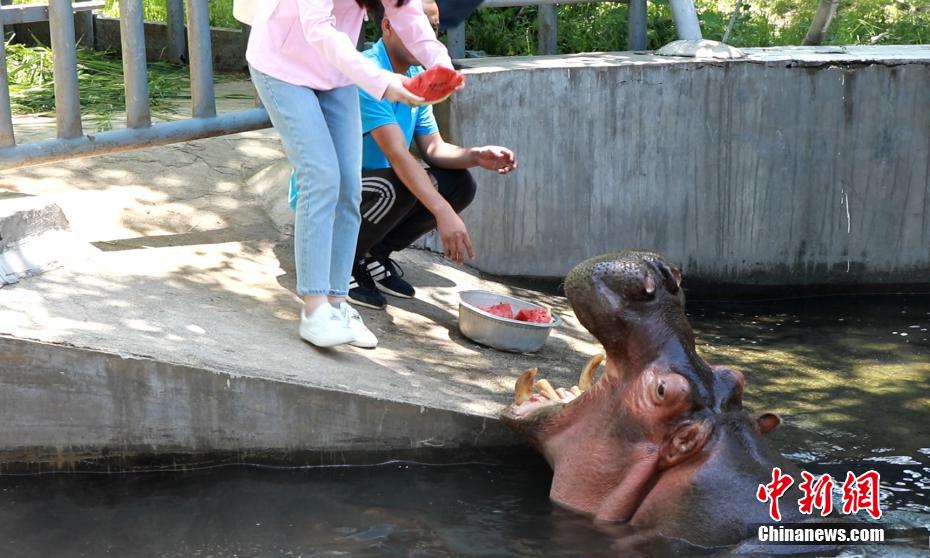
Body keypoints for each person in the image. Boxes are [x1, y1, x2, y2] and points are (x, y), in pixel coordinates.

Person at [245, 0, 453, 348]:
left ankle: (337, 304)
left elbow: (405, 12)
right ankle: (314, 310)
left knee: (348, 188)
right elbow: (318, 28)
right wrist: (383, 82)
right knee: (321, 176)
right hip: (282, 64)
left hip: (335, 71)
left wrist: (441, 65)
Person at [306, 0, 517, 310]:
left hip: (379, 187)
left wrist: (475, 156)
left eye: (434, 31)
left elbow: (433, 147)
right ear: (389, 25)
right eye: (421, 28)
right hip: (339, 188)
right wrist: (443, 212)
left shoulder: (418, 73)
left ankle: (373, 253)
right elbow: (397, 154)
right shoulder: (368, 72)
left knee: (459, 184)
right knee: (406, 183)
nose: (429, 39)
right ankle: (342, 263)